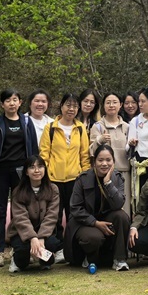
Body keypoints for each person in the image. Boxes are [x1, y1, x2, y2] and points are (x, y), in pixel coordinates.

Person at [0, 88, 39, 268]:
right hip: (0, 173)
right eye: (8, 100)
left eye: (15, 100)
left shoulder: (27, 122)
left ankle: (18, 248)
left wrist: (34, 170)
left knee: (20, 212)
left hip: (21, 173)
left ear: (20, 102)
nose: (12, 103)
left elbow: (34, 149)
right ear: (2, 104)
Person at [66, 144, 131, 271]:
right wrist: (95, 223)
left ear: (113, 162)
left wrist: (108, 183)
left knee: (122, 216)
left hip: (106, 218)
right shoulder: (83, 179)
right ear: (94, 162)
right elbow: (75, 208)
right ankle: (90, 258)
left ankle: (119, 259)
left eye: (108, 160)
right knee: (94, 237)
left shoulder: (117, 178)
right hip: (84, 222)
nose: (104, 164)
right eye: (100, 160)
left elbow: (118, 204)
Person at [39, 93, 91, 246]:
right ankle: (57, 246)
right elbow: (44, 155)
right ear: (61, 106)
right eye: (68, 105)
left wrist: (85, 177)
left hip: (75, 179)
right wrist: (45, 177)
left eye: (75, 106)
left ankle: (72, 245)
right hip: (53, 179)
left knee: (73, 214)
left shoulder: (80, 128)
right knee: (53, 215)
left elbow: (84, 155)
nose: (71, 109)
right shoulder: (50, 128)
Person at [6, 155, 62, 273]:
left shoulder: (53, 189)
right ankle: (17, 259)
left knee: (51, 247)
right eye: (32, 167)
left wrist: (41, 237)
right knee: (22, 257)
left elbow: (51, 216)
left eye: (40, 166)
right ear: (26, 172)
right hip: (21, 233)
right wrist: (32, 238)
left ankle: (44, 260)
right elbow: (20, 218)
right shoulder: (18, 191)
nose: (37, 170)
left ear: (45, 169)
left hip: (44, 232)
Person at [92, 92, 133, 213]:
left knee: (124, 208)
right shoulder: (97, 127)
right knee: (105, 208)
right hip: (104, 173)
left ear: (120, 105)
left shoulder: (128, 127)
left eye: (115, 102)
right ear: (103, 106)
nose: (111, 105)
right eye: (108, 102)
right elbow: (91, 151)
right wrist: (99, 140)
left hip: (125, 173)